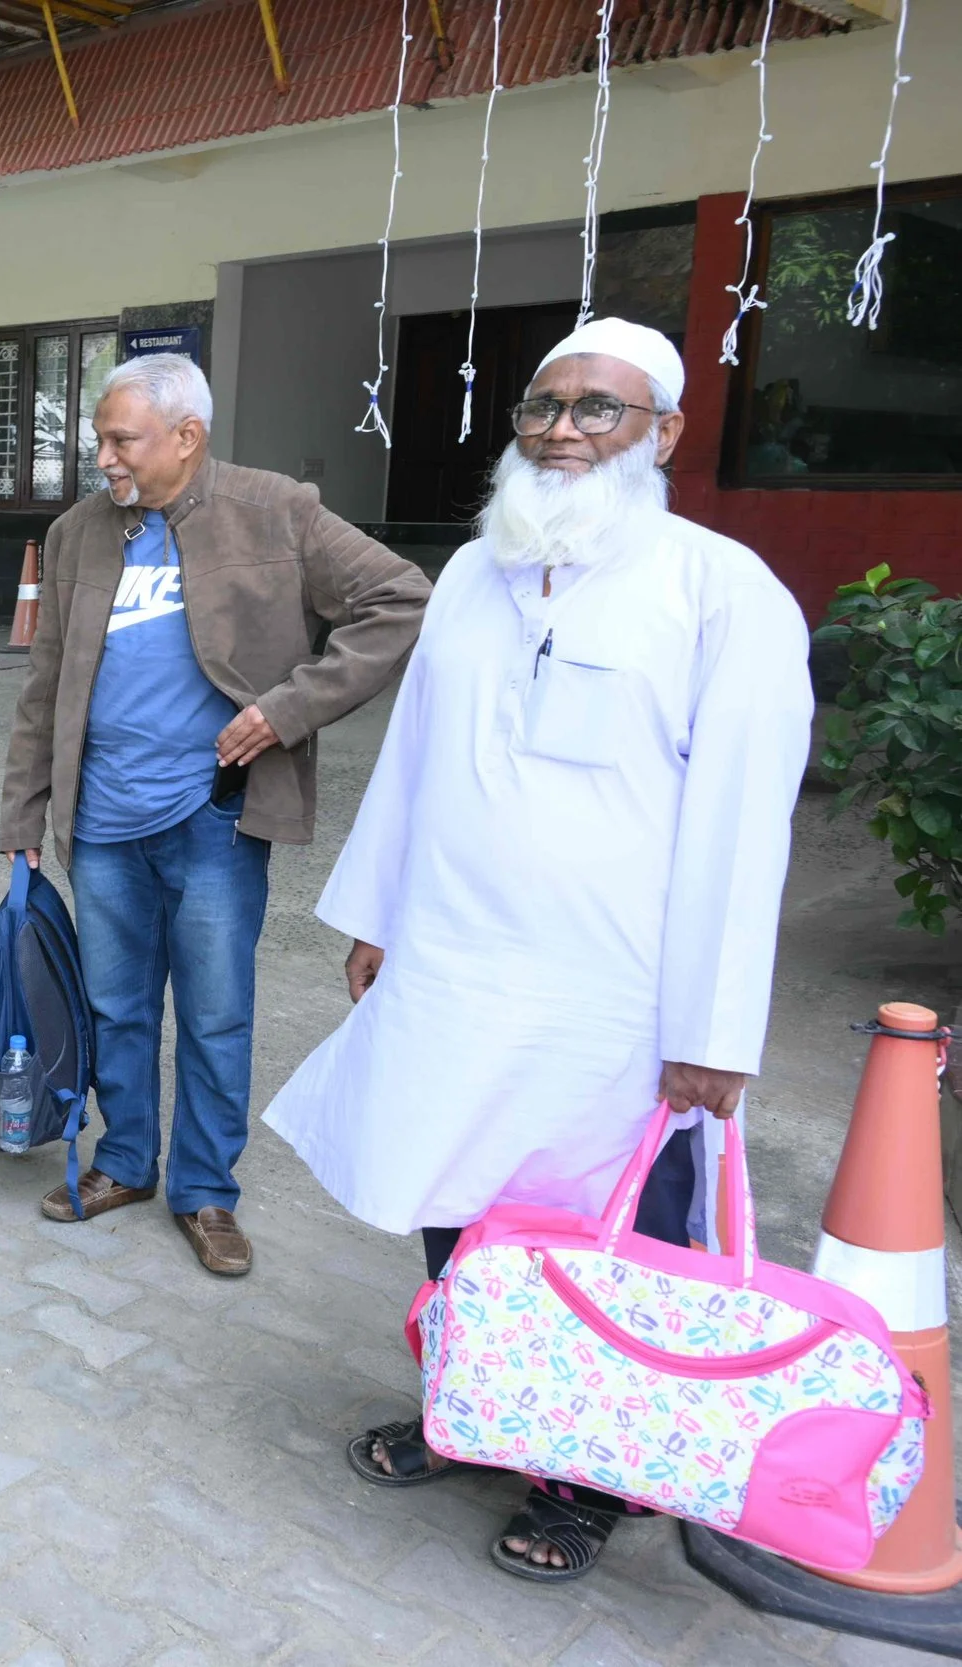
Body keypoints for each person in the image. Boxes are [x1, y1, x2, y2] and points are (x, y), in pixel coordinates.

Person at [263, 318, 814, 1581]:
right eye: (543, 406)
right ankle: (469, 1409)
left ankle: (583, 1475)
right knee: (455, 1203)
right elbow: (414, 757)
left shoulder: (723, 592)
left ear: (663, 434)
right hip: (456, 964)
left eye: (597, 409)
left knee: (598, 1240)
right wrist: (380, 915)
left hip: (613, 998)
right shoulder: (474, 571)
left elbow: (743, 830)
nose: (562, 430)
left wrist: (712, 1031)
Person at [0, 353, 429, 1275]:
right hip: (102, 817)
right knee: (115, 1006)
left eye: (122, 440)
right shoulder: (77, 534)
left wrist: (288, 709)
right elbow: (46, 683)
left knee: (215, 1012)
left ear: (187, 437)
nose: (103, 457)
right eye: (100, 438)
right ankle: (125, 1161)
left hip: (214, 820)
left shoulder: (275, 511)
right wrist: (23, 813)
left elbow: (399, 598)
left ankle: (203, 1190)